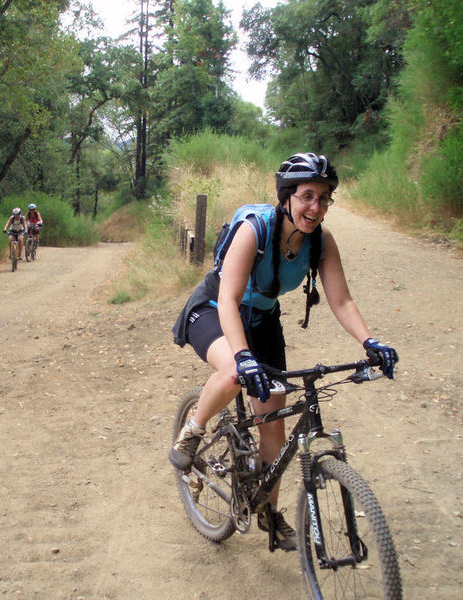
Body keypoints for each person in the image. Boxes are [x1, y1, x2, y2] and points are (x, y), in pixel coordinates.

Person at [169, 152, 399, 551]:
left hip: (263, 320)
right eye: (308, 196)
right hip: (214, 309)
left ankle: (267, 512)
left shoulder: (321, 241)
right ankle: (191, 433)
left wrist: (370, 342)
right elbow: (227, 298)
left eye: (325, 198)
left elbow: (341, 301)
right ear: (287, 197)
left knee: (272, 417)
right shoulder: (255, 230)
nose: (316, 207)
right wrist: (242, 355)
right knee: (233, 373)